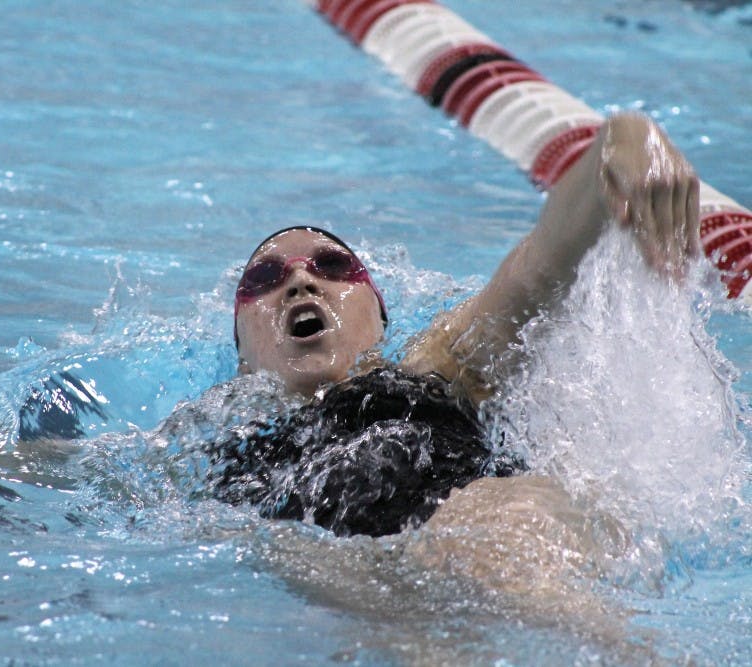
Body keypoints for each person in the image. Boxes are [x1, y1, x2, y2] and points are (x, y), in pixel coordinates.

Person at [206, 111, 701, 537]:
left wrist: (624, 141)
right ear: (243, 359)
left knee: (506, 523)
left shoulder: (437, 366)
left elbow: (538, 270)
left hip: (489, 531)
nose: (299, 281)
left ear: (379, 321)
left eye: (333, 267)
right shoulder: (209, 459)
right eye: (265, 278)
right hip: (350, 603)